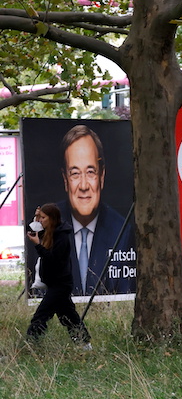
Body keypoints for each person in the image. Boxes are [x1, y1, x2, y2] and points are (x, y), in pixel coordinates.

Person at [57, 124, 135, 295]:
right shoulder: (48, 228)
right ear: (65, 180)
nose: (84, 186)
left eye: (90, 172)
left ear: (101, 176)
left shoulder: (122, 232)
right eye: (75, 174)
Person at [25, 203, 91, 346]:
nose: (41, 221)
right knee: (68, 316)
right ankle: (84, 343)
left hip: (61, 284)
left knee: (41, 314)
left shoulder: (62, 237)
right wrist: (35, 218)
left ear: (52, 218)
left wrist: (38, 245)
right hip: (53, 283)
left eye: (43, 218)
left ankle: (30, 343)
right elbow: (30, 231)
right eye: (40, 218)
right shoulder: (48, 232)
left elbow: (53, 259)